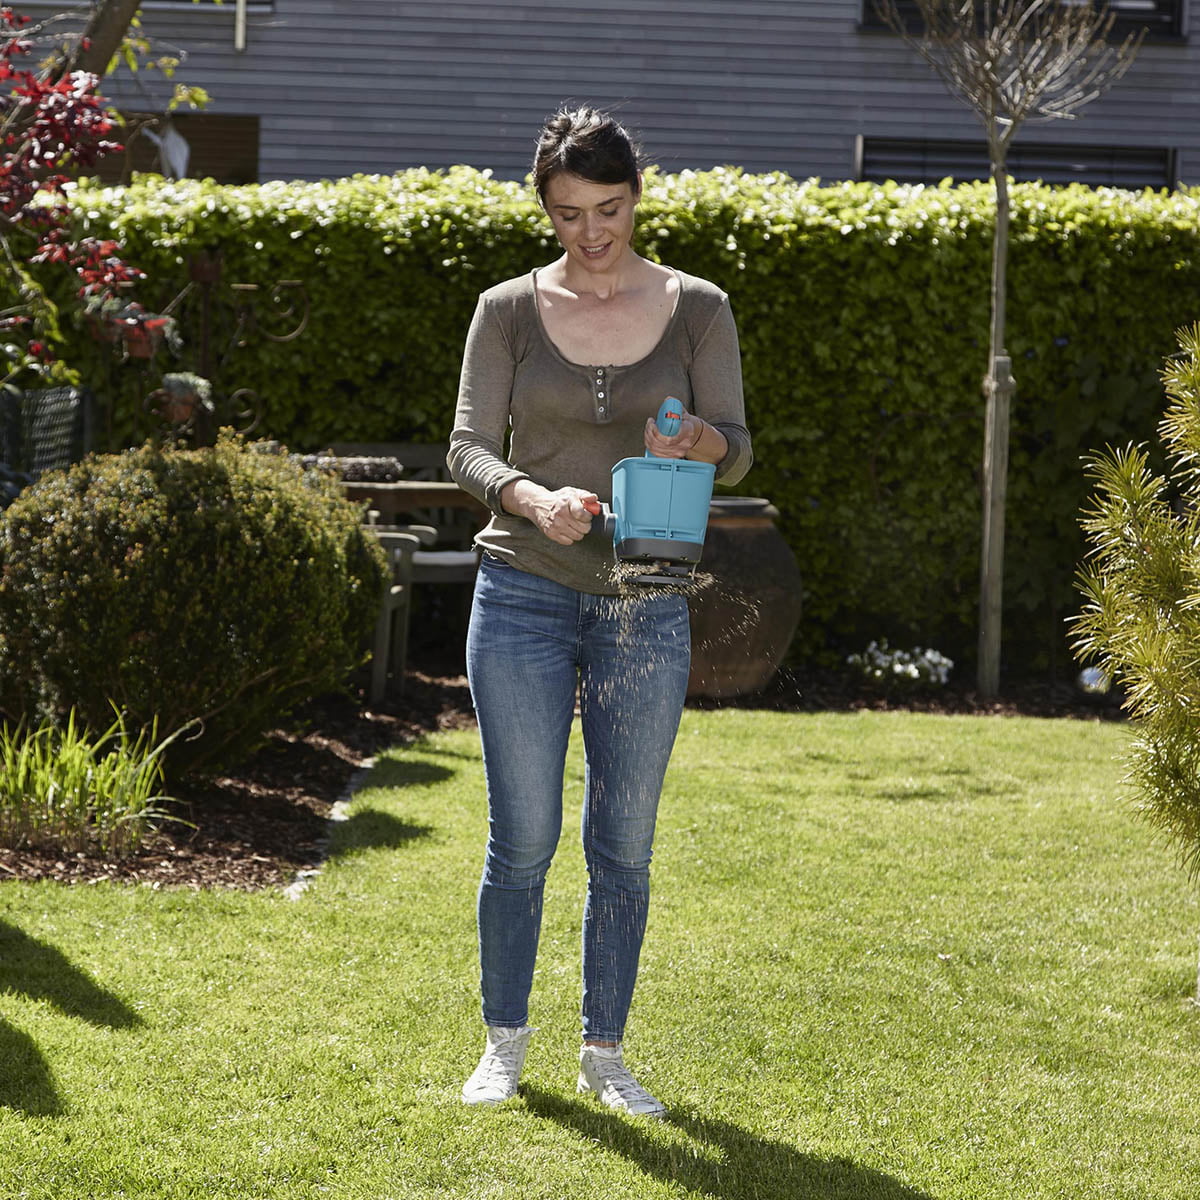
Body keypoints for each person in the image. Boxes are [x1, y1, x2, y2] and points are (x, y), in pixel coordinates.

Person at [447, 105, 753, 1117]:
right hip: (523, 591)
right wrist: (528, 497)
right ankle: (503, 1044)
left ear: (636, 197)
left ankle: (605, 1053)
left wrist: (697, 440)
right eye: (569, 213)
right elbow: (465, 446)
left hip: (646, 603)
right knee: (523, 836)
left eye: (608, 209)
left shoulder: (698, 306)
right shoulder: (508, 310)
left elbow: (737, 443)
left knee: (623, 838)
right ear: (546, 208)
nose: (590, 233)